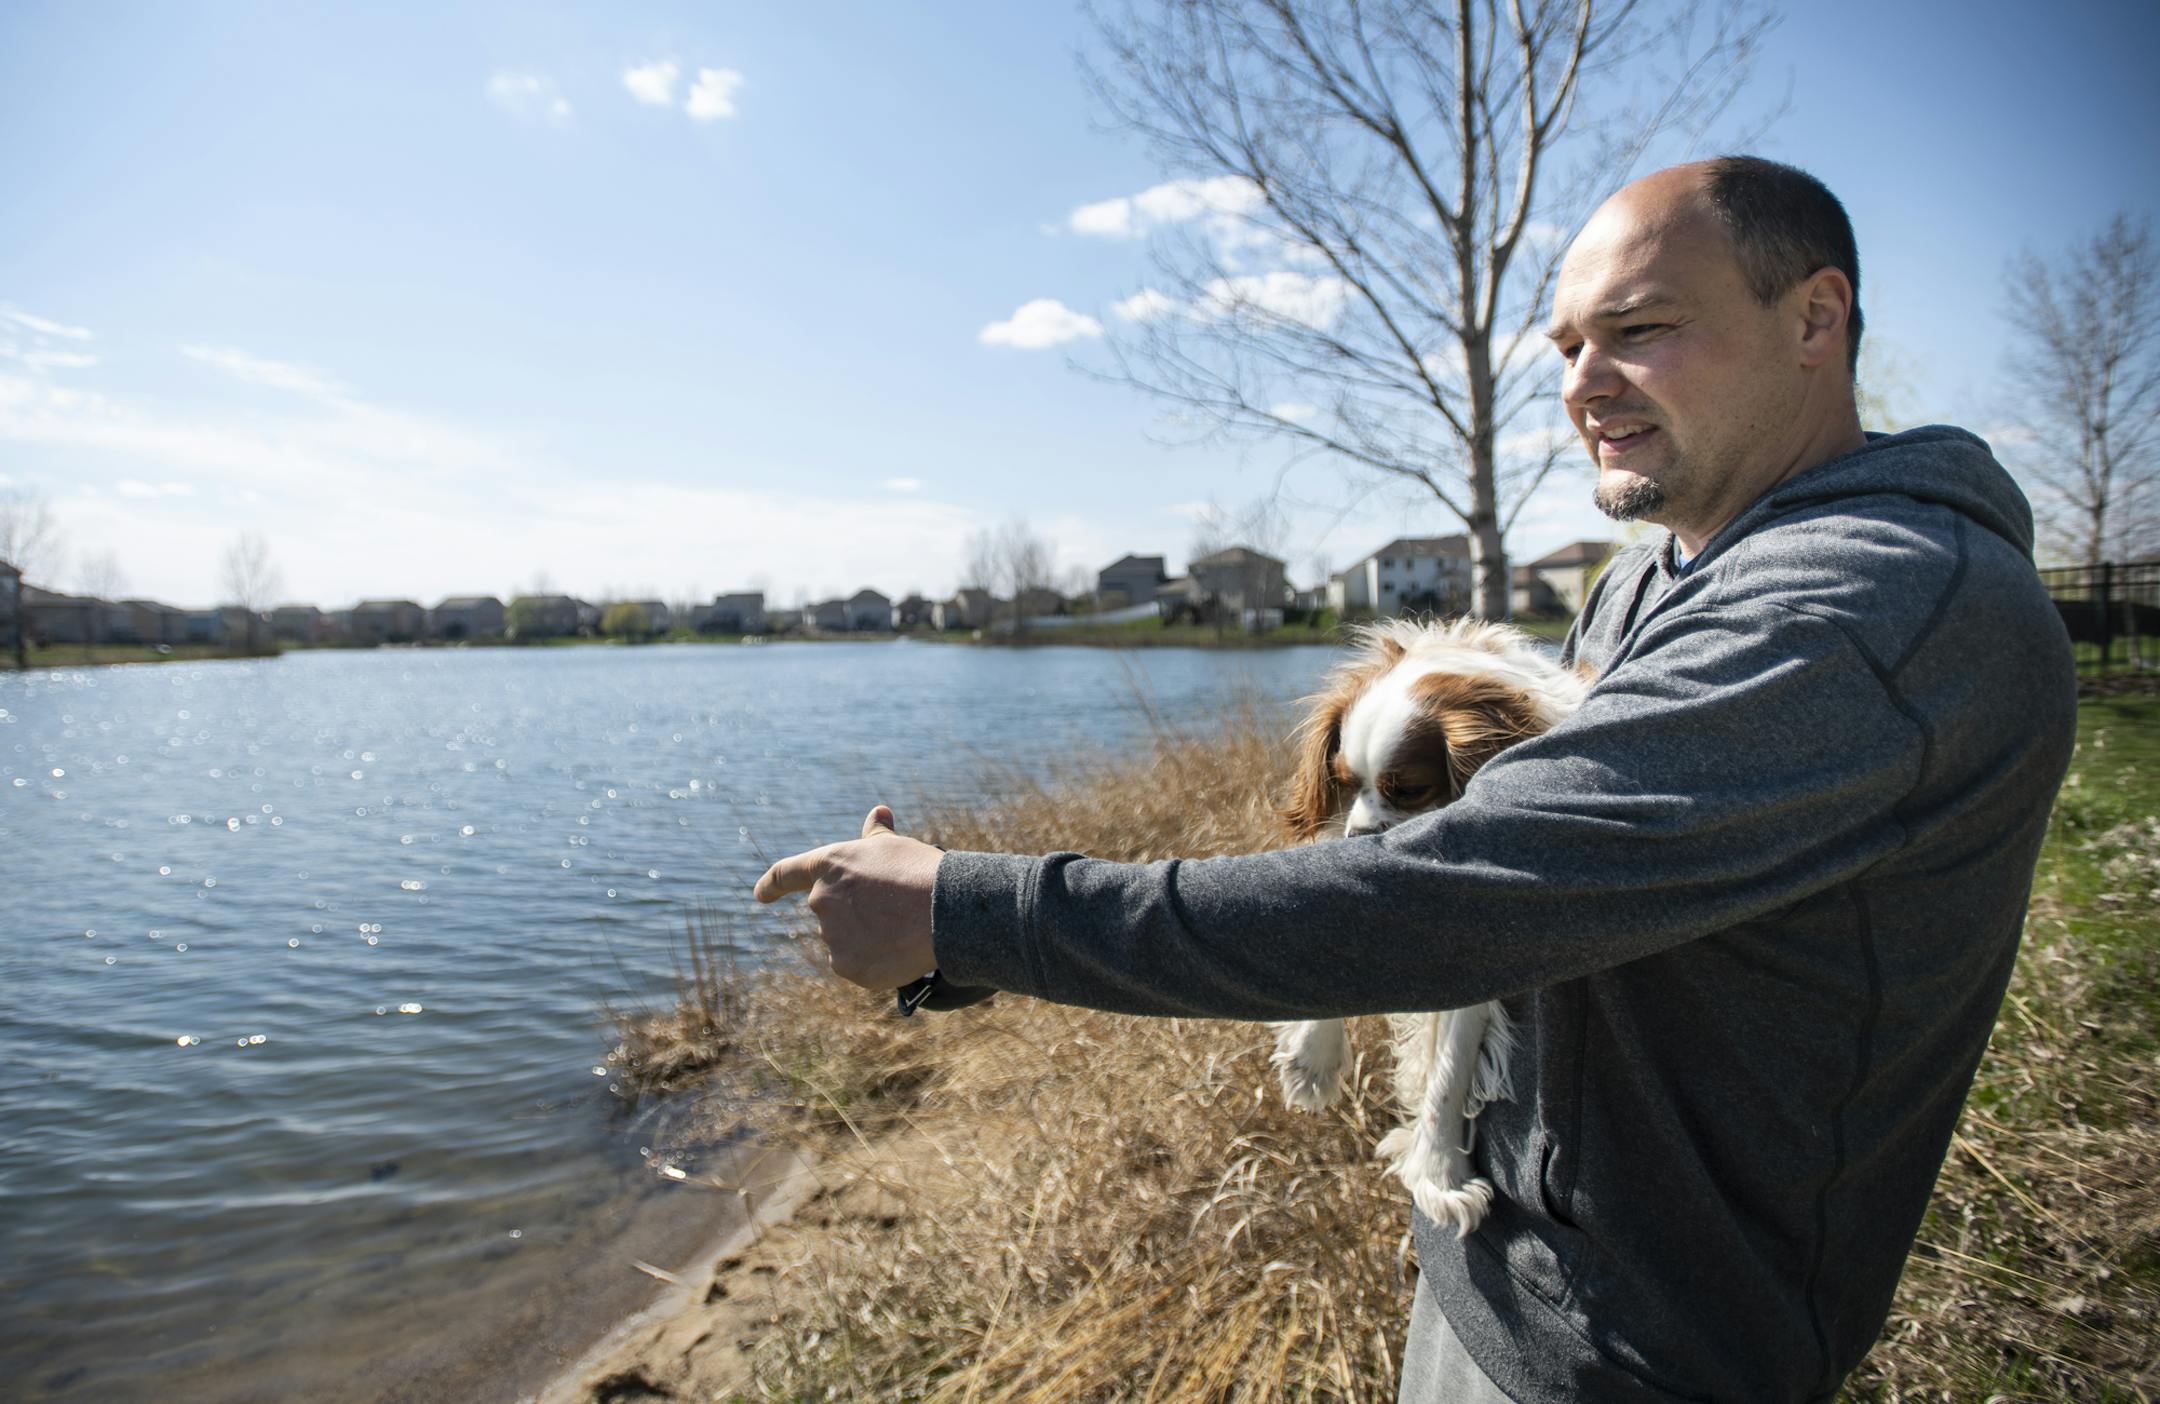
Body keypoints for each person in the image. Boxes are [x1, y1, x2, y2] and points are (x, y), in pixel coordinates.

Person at [754, 157, 2077, 1403]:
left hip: (1641, 1342)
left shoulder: (1865, 611)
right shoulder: (1654, 581)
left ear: (1815, 318)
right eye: (1567, 348)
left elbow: (1447, 900)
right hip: (1502, 1256)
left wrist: (970, 913)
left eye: (1639, 329)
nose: (1586, 384)